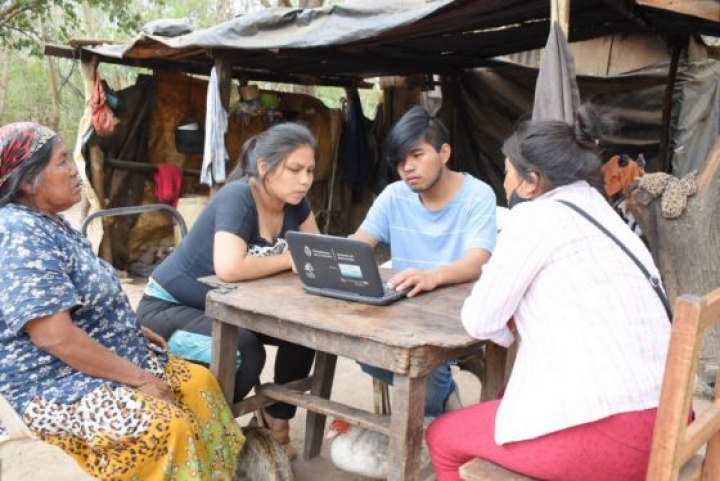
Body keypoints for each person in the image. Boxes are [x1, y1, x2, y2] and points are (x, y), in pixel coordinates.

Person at [426, 105, 671, 480]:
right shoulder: (604, 214)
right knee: (509, 396)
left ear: (531, 181)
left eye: (507, 174)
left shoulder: (534, 218)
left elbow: (478, 320)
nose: (505, 185)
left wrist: (505, 326)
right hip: (670, 416)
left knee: (442, 435)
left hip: (622, 437)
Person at [0, 122, 244, 480]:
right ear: (27, 181)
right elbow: (54, 337)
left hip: (98, 357)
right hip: (57, 382)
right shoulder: (18, 233)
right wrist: (141, 380)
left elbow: (82, 300)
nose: (74, 170)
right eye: (64, 161)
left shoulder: (49, 221)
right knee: (164, 426)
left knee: (199, 385)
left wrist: (129, 328)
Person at [136, 122, 320, 458]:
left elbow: (311, 254)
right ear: (264, 168)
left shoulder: (297, 203)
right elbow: (231, 268)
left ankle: (275, 423)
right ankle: (210, 437)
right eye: (294, 169)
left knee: (305, 334)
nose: (304, 179)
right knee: (245, 351)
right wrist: (288, 257)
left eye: (309, 170)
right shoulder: (239, 196)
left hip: (231, 307)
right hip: (167, 310)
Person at [351, 105, 497, 417]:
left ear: (444, 153)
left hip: (454, 313)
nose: (408, 168)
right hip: (402, 308)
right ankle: (441, 397)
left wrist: (432, 277)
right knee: (356, 344)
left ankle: (430, 409)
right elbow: (359, 244)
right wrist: (324, 254)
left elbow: (477, 262)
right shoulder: (393, 196)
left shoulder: (477, 195)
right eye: (401, 161)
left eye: (417, 155)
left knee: (425, 373)